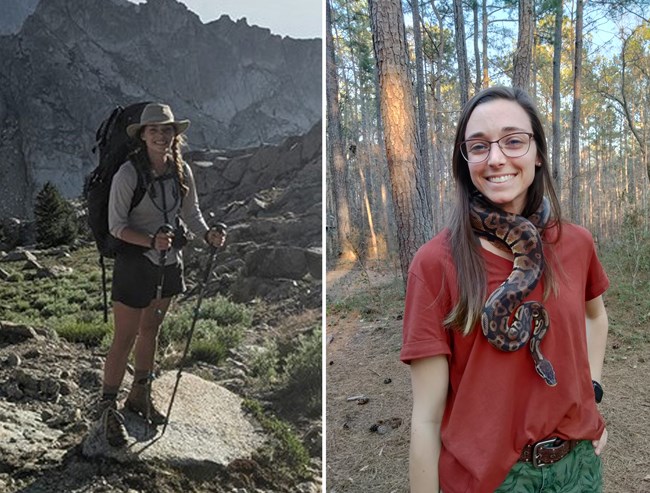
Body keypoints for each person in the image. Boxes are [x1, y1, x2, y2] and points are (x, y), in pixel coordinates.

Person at [401, 86, 609, 492]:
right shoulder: (434, 265)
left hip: (577, 468)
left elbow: (595, 315)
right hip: (490, 480)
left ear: (538, 153)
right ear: (466, 162)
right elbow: (425, 419)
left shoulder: (576, 243)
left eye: (514, 141)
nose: (496, 158)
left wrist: (592, 390)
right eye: (478, 146)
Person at [96, 102, 226, 447]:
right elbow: (116, 226)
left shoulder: (181, 170)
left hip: (169, 263)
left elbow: (191, 211)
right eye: (153, 129)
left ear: (174, 134)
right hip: (135, 264)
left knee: (150, 330)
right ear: (142, 135)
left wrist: (206, 233)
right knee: (124, 337)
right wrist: (150, 240)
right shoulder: (127, 174)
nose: (160, 134)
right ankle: (107, 410)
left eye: (166, 129)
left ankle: (139, 395)